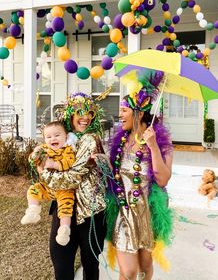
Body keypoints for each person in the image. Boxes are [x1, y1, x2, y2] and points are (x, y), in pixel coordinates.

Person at [106, 70, 174, 280]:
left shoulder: (162, 144)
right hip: (123, 212)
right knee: (129, 272)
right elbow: (111, 173)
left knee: (145, 267)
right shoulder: (120, 141)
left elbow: (162, 179)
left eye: (124, 110)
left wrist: (152, 147)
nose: (120, 114)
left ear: (139, 113)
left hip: (146, 214)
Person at [39, 92, 107, 280]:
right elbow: (43, 156)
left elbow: (72, 177)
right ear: (70, 113)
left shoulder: (90, 139)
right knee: (61, 264)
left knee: (90, 267)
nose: (85, 117)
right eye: (79, 112)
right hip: (64, 210)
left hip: (90, 213)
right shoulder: (62, 137)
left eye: (90, 113)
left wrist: (43, 172)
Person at [21, 121, 77, 246]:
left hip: (64, 188)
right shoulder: (44, 149)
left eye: (57, 135)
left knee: (65, 208)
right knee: (33, 189)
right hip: (47, 187)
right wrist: (35, 153)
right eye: (49, 137)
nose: (53, 139)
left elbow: (70, 162)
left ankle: (64, 230)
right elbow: (32, 160)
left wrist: (54, 164)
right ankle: (33, 210)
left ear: (66, 137)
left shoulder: (68, 149)